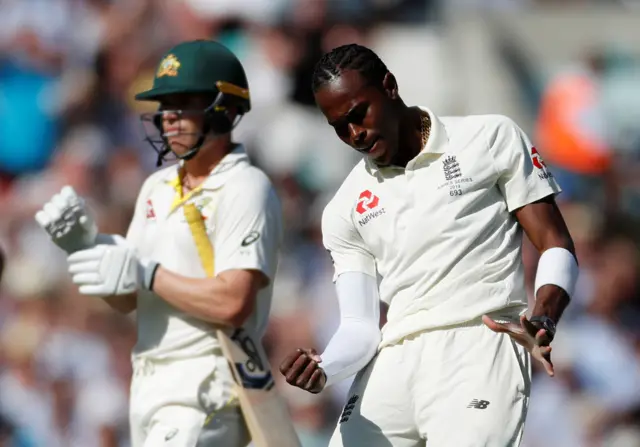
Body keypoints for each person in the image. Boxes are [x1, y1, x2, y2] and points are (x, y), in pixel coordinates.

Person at [279, 43, 578, 446]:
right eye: (339, 126)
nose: (354, 134)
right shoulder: (344, 206)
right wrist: (325, 367)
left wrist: (543, 317)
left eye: (358, 114)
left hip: (480, 344)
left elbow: (555, 243)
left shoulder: (489, 137)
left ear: (389, 86)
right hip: (392, 361)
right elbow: (360, 328)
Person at [35, 40, 283, 447]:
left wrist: (146, 272)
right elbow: (129, 297)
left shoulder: (245, 187)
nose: (168, 118)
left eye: (183, 103)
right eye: (164, 105)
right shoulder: (156, 188)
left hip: (208, 380)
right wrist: (87, 249)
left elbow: (233, 303)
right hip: (150, 378)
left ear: (225, 107)